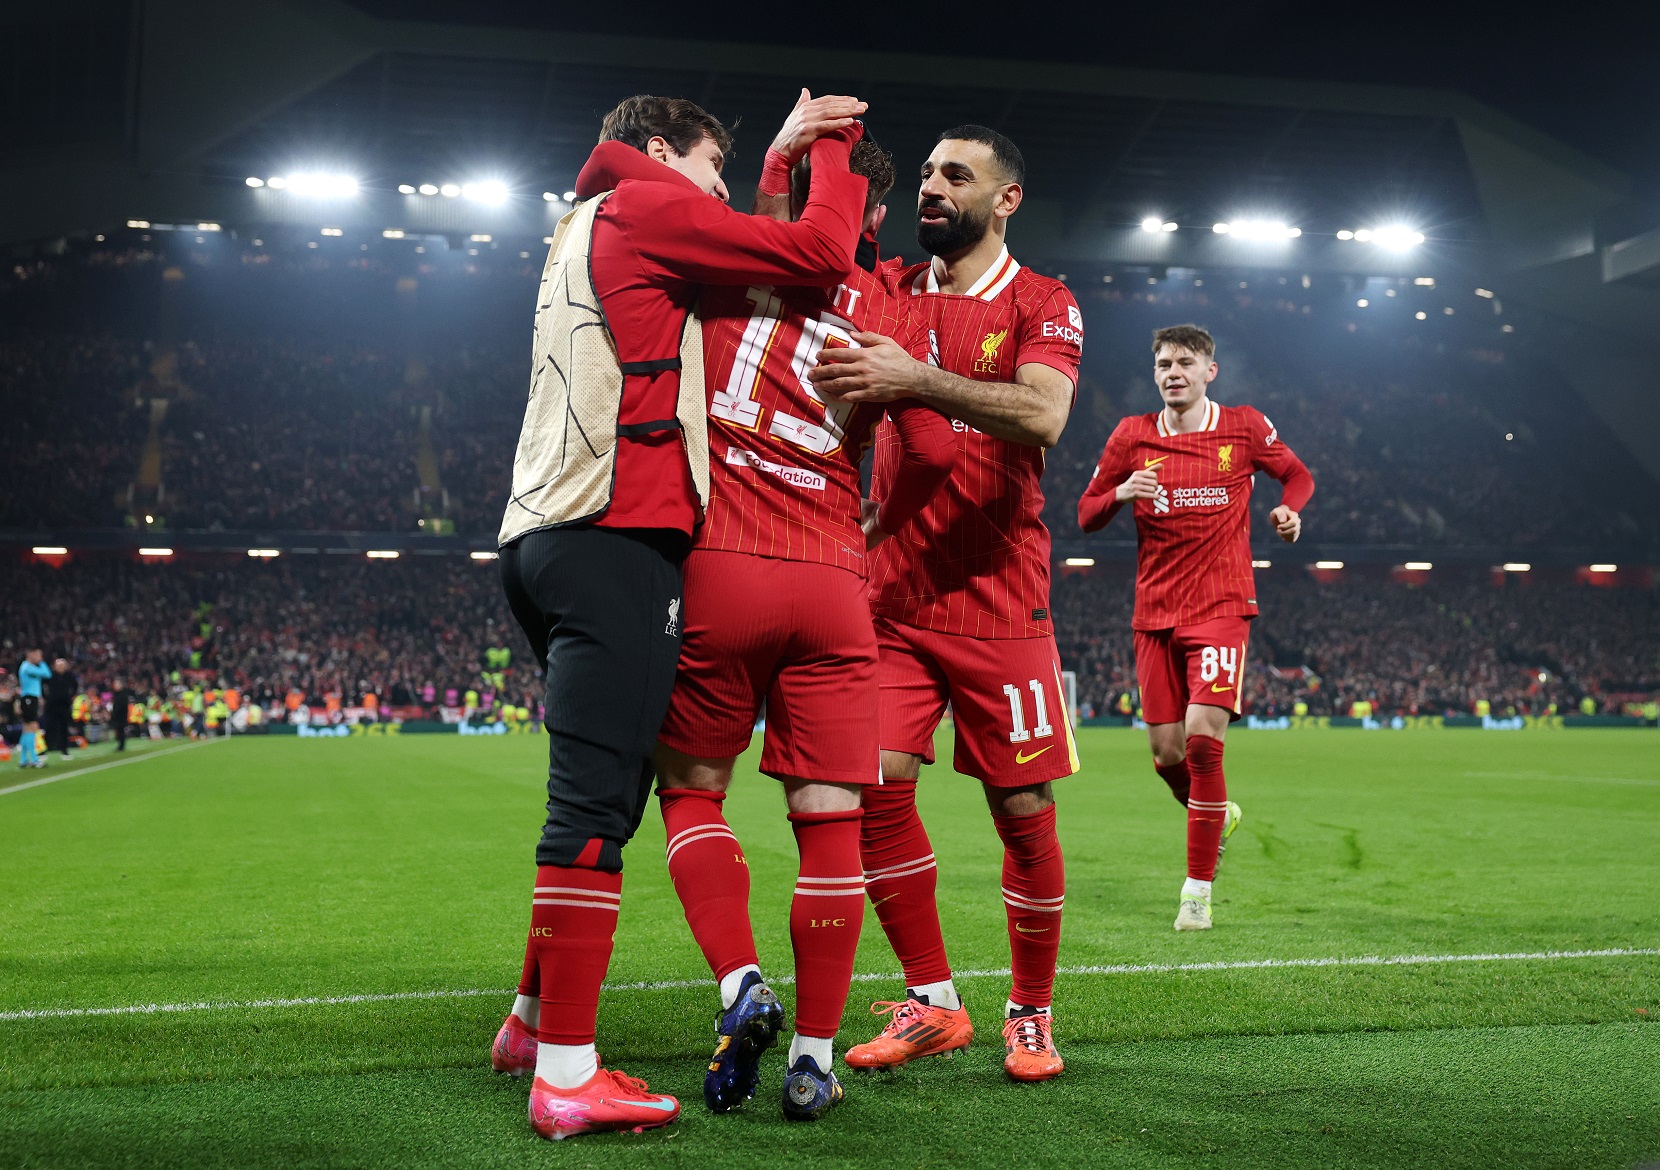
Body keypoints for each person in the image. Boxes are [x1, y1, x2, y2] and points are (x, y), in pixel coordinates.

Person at [488, 91, 871, 1141]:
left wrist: (766, 170)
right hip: (619, 539)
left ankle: (528, 1022)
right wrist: (832, 154)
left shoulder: (581, 222)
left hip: (538, 532)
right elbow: (817, 250)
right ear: (657, 152)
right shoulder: (648, 206)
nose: (713, 190)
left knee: (609, 796)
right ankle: (566, 1072)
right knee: (591, 814)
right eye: (710, 167)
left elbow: (734, 258)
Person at [652, 133, 955, 1121]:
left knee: (693, 792)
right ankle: (815, 1062)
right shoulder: (894, 313)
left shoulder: (724, 263)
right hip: (833, 582)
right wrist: (872, 518)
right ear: (876, 214)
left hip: (721, 566)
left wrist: (781, 160)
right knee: (830, 826)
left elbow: (762, 219)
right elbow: (939, 453)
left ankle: (741, 983)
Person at [807, 125, 1083, 1082]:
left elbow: (1044, 413)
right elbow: (786, 256)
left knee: (1023, 809)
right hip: (891, 600)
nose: (932, 186)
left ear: (1006, 197)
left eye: (955, 175)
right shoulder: (886, 289)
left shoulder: (1043, 302)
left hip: (1003, 601)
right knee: (872, 789)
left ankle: (1032, 1012)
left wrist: (915, 379)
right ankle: (932, 1001)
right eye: (925, 172)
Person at [1078, 323, 1313, 930]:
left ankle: (1196, 893)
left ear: (1211, 370)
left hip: (1222, 605)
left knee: (1205, 741)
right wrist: (1122, 492)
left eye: (1185, 362)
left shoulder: (1243, 426)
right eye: (1162, 364)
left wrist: (1290, 510)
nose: (1172, 373)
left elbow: (1297, 474)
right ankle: (1218, 816)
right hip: (1153, 612)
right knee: (1166, 755)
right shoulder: (1132, 436)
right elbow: (1085, 514)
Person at [16, 649, 50, 769]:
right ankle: (34, 759)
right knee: (32, 727)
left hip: (28, 699)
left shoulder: (26, 667)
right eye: (38, 655)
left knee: (27, 729)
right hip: (29, 698)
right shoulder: (28, 668)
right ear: (30, 654)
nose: (40, 657)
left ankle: (23, 759)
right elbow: (47, 674)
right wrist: (41, 662)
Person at [44, 658, 77, 760]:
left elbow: (75, 686)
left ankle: (64, 750)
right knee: (50, 727)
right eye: (58, 665)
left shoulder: (69, 675)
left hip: (64, 705)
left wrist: (69, 697)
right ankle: (45, 750)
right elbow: (42, 685)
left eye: (62, 665)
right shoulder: (50, 675)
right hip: (52, 705)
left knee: (64, 728)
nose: (60, 667)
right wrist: (47, 697)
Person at [111, 678, 132, 752]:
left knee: (121, 731)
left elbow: (121, 706)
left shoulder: (123, 695)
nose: (115, 686)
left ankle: (121, 745)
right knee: (119, 731)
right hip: (117, 716)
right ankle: (120, 744)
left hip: (121, 716)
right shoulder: (116, 694)